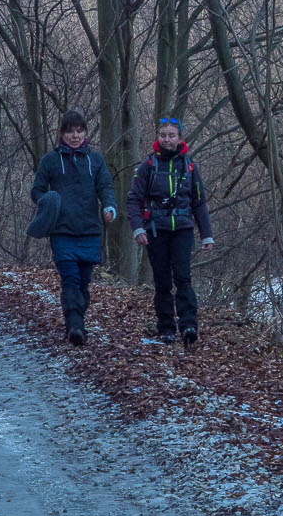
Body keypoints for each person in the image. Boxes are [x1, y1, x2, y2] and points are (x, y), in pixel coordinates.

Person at [29, 109, 117, 347]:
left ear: (85, 132)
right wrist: (49, 202)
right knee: (70, 280)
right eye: (70, 132)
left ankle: (77, 322)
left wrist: (110, 207)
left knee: (83, 283)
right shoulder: (50, 160)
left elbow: (106, 186)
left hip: (90, 230)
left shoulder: (95, 160)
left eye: (79, 131)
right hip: (62, 231)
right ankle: (75, 327)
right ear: (62, 134)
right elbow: (36, 190)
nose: (75, 136)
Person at [126, 115, 213, 348]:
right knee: (162, 281)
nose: (167, 140)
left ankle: (189, 325)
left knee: (183, 277)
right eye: (163, 135)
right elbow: (133, 199)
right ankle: (165, 327)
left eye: (171, 135)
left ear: (179, 138)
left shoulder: (190, 165)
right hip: (156, 230)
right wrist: (137, 228)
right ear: (158, 137)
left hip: (183, 229)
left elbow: (199, 202)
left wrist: (207, 234)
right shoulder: (148, 166)